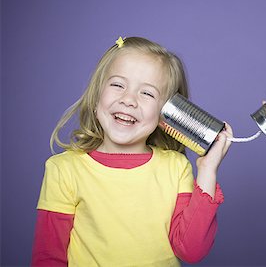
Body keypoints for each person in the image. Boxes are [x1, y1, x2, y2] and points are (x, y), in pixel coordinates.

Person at [31, 36, 233, 266]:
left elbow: (191, 251)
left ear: (166, 115)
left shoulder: (176, 168)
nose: (128, 100)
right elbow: (48, 257)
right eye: (118, 85)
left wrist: (207, 170)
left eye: (147, 93)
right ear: (96, 98)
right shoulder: (63, 170)